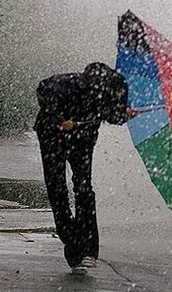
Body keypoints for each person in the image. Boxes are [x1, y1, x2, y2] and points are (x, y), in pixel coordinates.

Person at [33, 62, 137, 275]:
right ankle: (74, 244)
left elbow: (111, 116)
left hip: (83, 139)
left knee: (84, 189)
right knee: (58, 188)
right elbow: (43, 88)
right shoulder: (68, 83)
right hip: (52, 136)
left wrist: (125, 114)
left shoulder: (114, 88)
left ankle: (88, 250)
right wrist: (60, 119)